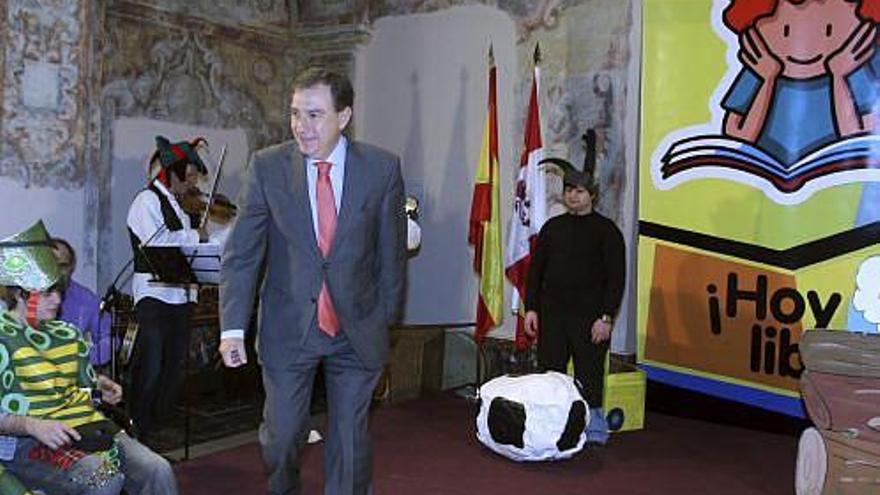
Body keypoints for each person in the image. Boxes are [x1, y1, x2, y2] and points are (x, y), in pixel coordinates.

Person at [219, 67, 406, 495]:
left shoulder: (381, 169)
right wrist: (232, 329)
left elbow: (392, 257)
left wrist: (385, 324)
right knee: (281, 437)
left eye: (315, 115)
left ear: (344, 117)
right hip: (290, 328)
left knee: (350, 440)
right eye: (295, 114)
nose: (302, 127)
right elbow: (243, 253)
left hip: (355, 329)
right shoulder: (267, 168)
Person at [0, 220, 178, 494]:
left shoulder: (66, 334)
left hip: (86, 428)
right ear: (20, 294)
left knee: (159, 469)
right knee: (103, 480)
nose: (57, 301)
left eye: (59, 291)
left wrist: (99, 387)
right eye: (47, 293)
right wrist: (31, 425)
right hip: (27, 444)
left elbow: (79, 388)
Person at [523, 161, 625, 446]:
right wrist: (531, 308)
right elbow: (536, 272)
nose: (572, 196)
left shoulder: (608, 232)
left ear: (592, 195)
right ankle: (550, 429)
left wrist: (606, 318)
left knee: (589, 376)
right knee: (550, 375)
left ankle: (594, 431)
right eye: (568, 190)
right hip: (553, 316)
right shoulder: (552, 228)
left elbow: (616, 279)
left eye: (579, 191)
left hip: (591, 319)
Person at [721, 0, 880, 166]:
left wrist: (839, 77)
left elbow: (860, 140)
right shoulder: (760, 70)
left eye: (828, 31)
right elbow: (737, 135)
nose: (810, 46)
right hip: (760, 172)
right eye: (786, 32)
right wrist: (768, 80)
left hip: (832, 175)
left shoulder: (854, 74)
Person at [125, 135, 208, 443]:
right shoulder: (146, 201)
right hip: (153, 294)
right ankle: (138, 425)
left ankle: (158, 424)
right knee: (152, 363)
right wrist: (195, 236)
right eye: (188, 178)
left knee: (175, 364)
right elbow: (158, 244)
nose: (192, 185)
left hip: (180, 295)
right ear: (172, 174)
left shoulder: (182, 207)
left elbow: (192, 249)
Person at [51, 238, 113, 371]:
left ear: (72, 267)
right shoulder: (27, 296)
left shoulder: (85, 299)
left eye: (62, 266)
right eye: (51, 265)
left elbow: (109, 337)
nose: (56, 271)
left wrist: (83, 357)